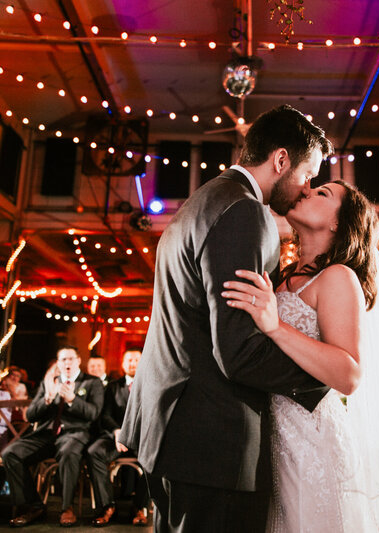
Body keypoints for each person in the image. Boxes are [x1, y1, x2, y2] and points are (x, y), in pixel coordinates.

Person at [118, 105, 333, 533]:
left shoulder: (204, 200)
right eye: (308, 174)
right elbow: (238, 352)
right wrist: (326, 376)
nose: (308, 188)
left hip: (174, 428)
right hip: (211, 439)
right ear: (281, 160)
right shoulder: (244, 211)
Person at [224, 181, 379, 531]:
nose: (307, 191)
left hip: (312, 441)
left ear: (338, 222)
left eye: (323, 193)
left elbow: (349, 375)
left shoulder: (337, 276)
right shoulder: (283, 276)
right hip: (273, 438)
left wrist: (276, 327)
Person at [2, 346, 104, 527]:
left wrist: (73, 399)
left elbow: (93, 413)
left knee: (68, 453)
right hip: (46, 434)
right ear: (58, 363)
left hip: (74, 434)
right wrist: (47, 398)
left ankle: (67, 508)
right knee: (10, 453)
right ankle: (32, 506)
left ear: (78, 361)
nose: (67, 363)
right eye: (63, 359)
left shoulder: (92, 382)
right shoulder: (49, 382)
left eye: (71, 359)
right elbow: (30, 415)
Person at [87, 350, 149, 527]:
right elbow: (105, 415)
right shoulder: (113, 386)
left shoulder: (151, 384)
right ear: (122, 363)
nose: (132, 363)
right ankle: (107, 507)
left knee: (156, 454)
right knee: (94, 452)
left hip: (142, 438)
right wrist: (117, 431)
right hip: (117, 436)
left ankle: (139, 507)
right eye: (129, 359)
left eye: (136, 359)